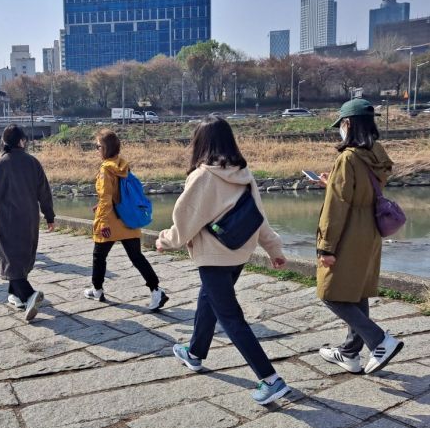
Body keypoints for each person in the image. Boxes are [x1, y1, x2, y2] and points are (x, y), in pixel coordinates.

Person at [156, 116, 290, 405]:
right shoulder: (243, 174)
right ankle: (194, 353)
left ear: (200, 143)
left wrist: (165, 240)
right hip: (239, 252)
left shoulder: (203, 176)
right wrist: (273, 248)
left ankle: (270, 379)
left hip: (214, 256)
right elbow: (258, 217)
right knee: (209, 300)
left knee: (230, 316)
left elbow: (185, 219)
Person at [313, 99, 403, 375]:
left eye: (341, 124)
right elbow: (359, 191)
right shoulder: (377, 153)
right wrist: (332, 184)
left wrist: (325, 247)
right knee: (357, 290)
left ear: (348, 124)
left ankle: (379, 341)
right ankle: (350, 352)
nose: (340, 129)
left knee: (330, 292)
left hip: (349, 231)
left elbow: (337, 206)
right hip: (371, 229)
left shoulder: (348, 158)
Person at [0, 124, 54, 321]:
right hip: (30, 218)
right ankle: (15, 295)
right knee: (22, 256)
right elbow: (44, 192)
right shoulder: (32, 162)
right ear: (21, 141)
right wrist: (49, 215)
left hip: (9, 219)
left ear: (5, 142)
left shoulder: (2, 163)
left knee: (10, 258)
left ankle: (29, 295)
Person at [84, 129, 168, 311]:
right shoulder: (123, 166)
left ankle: (97, 290)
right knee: (136, 257)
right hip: (129, 219)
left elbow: (106, 198)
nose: (96, 149)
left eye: (98, 146)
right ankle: (156, 290)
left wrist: (101, 222)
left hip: (111, 222)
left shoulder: (106, 169)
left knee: (99, 256)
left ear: (105, 148)